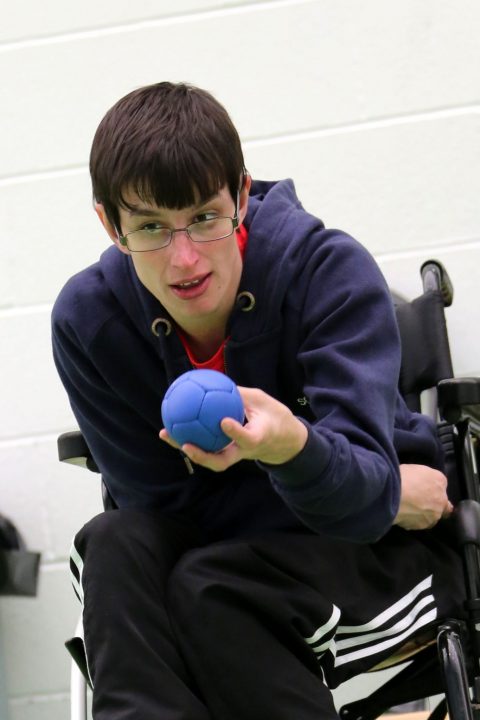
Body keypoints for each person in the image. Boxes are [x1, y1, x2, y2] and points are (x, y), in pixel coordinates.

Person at [52, 81, 461, 720]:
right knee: (112, 542)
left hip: (377, 559)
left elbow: (355, 508)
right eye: (151, 227)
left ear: (241, 196)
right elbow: (163, 513)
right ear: (111, 225)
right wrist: (380, 494)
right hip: (303, 534)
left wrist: (299, 450)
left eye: (204, 218)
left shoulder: (328, 272)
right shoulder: (88, 322)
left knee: (211, 589)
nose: (184, 259)